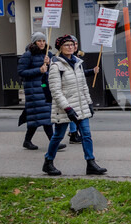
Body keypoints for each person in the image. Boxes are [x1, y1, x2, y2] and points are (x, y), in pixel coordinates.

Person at [43, 34, 105, 177]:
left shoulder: (78, 62)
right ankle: (48, 162)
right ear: (60, 48)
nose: (70, 47)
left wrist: (89, 103)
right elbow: (55, 91)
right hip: (65, 107)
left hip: (81, 105)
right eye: (66, 45)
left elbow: (83, 86)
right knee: (58, 136)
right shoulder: (56, 65)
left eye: (72, 45)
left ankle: (91, 163)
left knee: (86, 135)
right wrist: (67, 108)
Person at [17, 32, 64, 152]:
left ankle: (27, 141)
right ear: (34, 42)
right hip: (33, 90)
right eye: (39, 41)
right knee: (45, 116)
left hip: (44, 87)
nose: (42, 43)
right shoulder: (28, 55)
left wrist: (50, 64)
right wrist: (39, 70)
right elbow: (21, 72)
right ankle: (54, 142)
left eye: (43, 41)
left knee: (38, 116)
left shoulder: (47, 53)